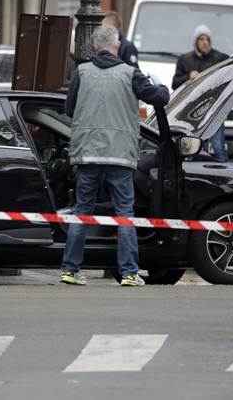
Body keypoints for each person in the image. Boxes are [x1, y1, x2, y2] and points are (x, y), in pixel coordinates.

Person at [61, 26, 169, 287]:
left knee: (82, 211)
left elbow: (69, 109)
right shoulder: (131, 73)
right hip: (120, 157)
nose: (120, 44)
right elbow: (159, 98)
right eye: (119, 41)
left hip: (87, 155)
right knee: (124, 213)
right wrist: (162, 85)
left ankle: (70, 269)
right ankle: (130, 273)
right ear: (113, 45)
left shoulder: (81, 72)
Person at [172, 25, 230, 162]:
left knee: (218, 148)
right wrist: (188, 76)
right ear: (195, 41)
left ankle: (225, 176)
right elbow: (175, 83)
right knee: (192, 149)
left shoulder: (219, 58)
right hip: (192, 114)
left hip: (214, 110)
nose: (205, 42)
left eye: (208, 39)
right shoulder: (185, 60)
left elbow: (231, 69)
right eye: (201, 39)